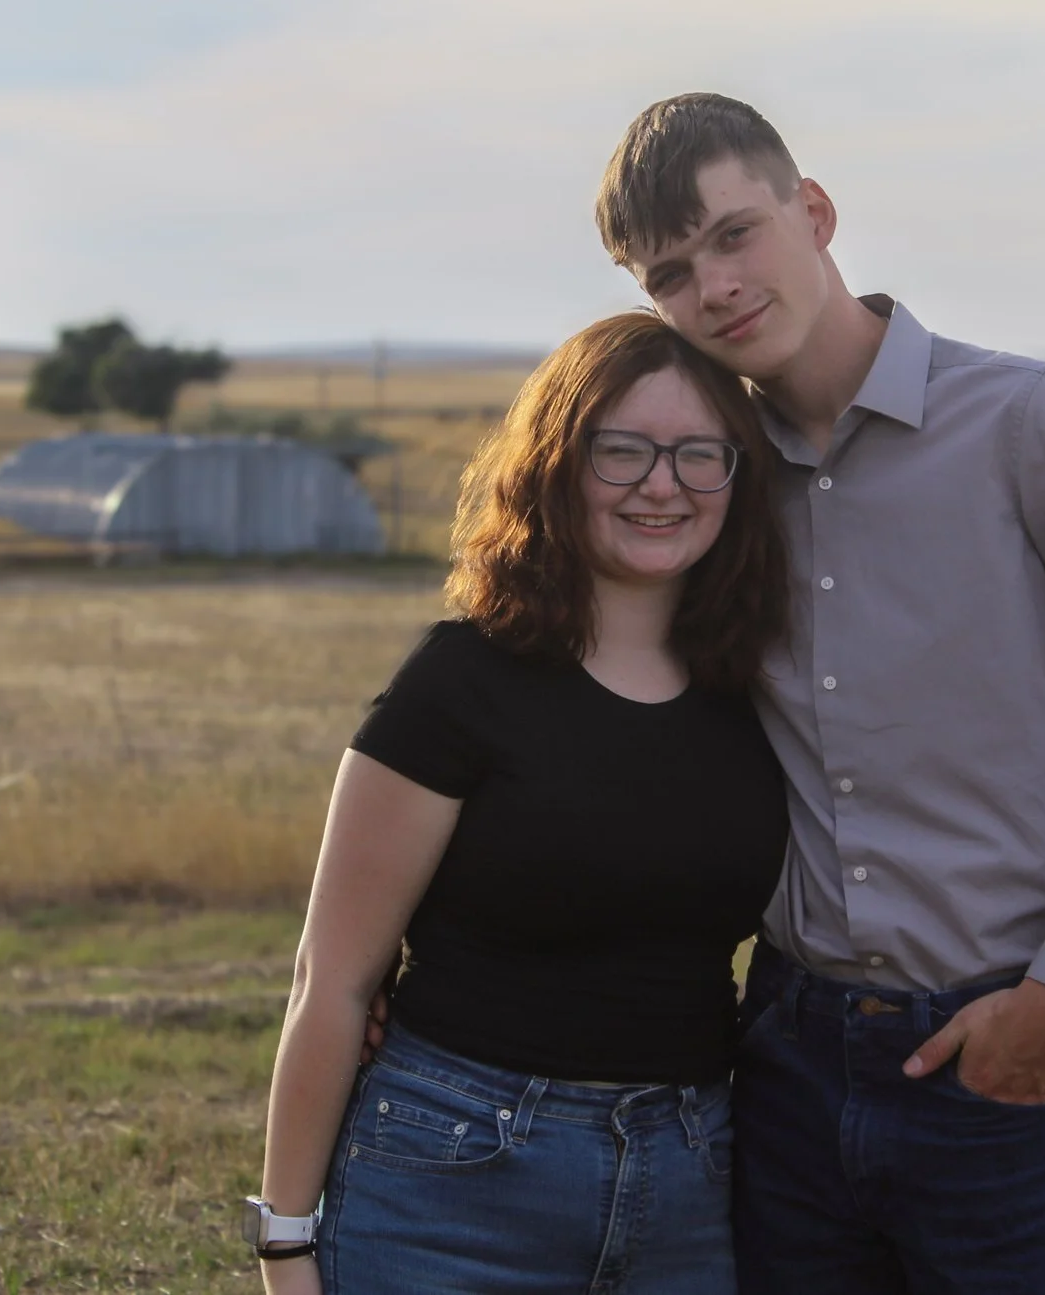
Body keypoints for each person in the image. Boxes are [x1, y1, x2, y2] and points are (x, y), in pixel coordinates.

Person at [593, 93, 1045, 1295]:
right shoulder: (709, 481)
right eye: (671, 273)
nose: (715, 288)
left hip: (998, 1049)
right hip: (782, 1058)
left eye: (735, 234)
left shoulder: (1035, 422)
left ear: (815, 211)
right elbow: (602, 715)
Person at [248, 311, 793, 1294]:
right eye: (619, 450)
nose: (661, 483)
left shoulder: (758, 691)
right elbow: (329, 979)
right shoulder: (460, 680)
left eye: (697, 453)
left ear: (736, 476)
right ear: (556, 462)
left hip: (689, 1180)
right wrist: (286, 1241)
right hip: (450, 1177)